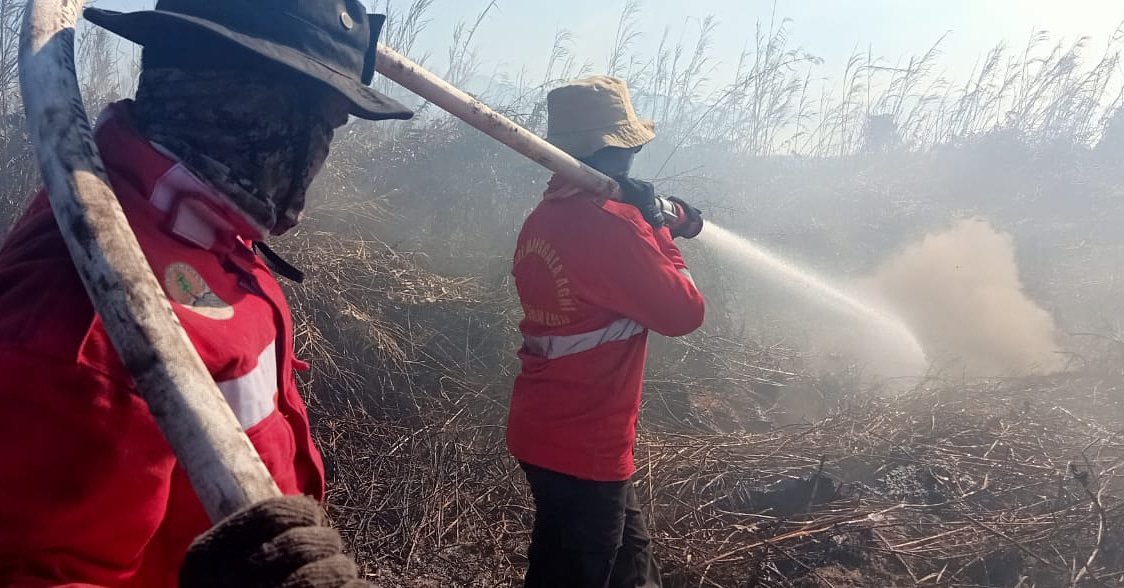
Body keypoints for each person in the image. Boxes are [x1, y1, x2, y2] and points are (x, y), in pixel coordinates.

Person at [0, 1, 412, 586]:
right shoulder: (87, 320)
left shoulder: (204, 226)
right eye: (326, 120)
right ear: (251, 99)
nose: (322, 150)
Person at [507, 75, 707, 588]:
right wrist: (658, 226)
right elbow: (684, 313)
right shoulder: (612, 227)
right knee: (576, 572)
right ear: (616, 149)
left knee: (628, 562)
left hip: (545, 430)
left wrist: (646, 219)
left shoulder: (545, 217)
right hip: (586, 442)